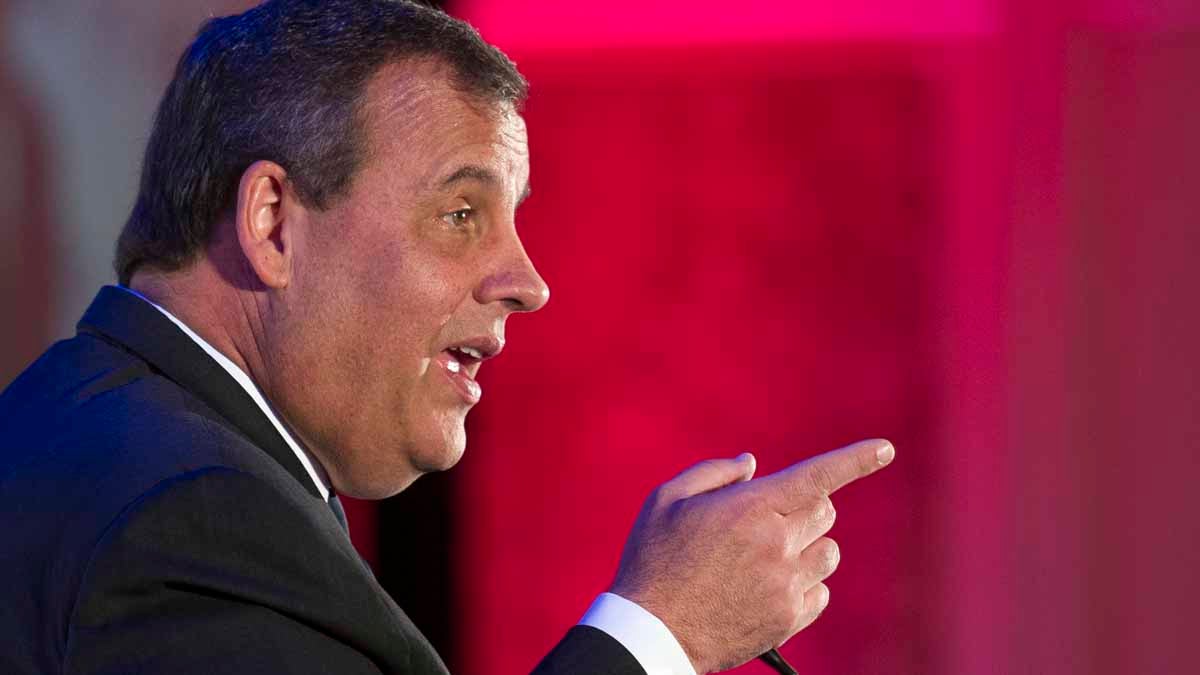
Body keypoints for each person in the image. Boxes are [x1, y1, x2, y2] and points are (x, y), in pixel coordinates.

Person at [0, 1, 894, 673]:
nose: (529, 283)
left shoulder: (74, 424)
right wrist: (660, 630)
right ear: (273, 221)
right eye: (460, 213)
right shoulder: (194, 516)